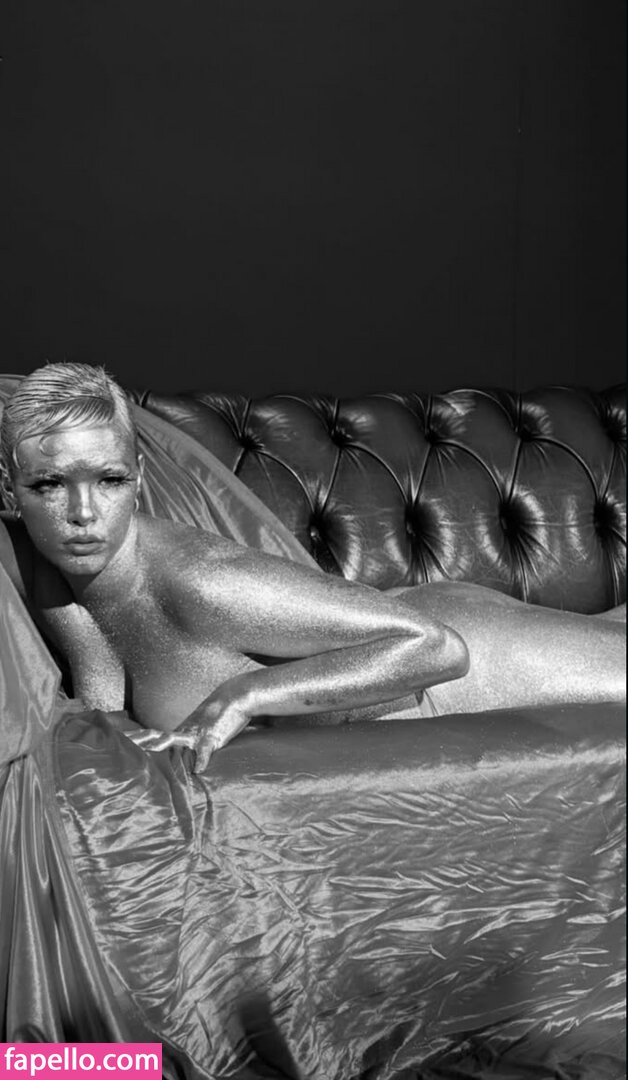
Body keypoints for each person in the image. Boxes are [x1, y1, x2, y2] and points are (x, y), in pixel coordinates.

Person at [0, 363, 624, 772]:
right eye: (49, 484)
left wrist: (242, 695)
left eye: (110, 480)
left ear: (138, 479)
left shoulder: (203, 581)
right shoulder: (56, 583)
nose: (83, 513)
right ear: (11, 491)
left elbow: (437, 648)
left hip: (471, 667)